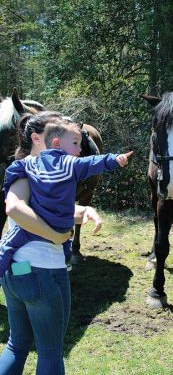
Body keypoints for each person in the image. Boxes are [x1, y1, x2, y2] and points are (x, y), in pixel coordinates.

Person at [0, 111, 131, 375]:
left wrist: (82, 211)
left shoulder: (28, 168)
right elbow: (14, 208)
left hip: (18, 270)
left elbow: (41, 208)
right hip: (42, 270)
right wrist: (56, 235)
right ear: (38, 138)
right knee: (50, 352)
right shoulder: (31, 168)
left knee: (17, 344)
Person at [0, 117, 133, 277]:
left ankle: (9, 274)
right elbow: (93, 162)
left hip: (37, 232)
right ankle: (21, 272)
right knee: (61, 255)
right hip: (60, 227)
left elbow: (13, 186)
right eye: (75, 143)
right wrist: (114, 159)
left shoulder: (26, 166)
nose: (80, 150)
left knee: (8, 251)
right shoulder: (69, 164)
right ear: (53, 142)